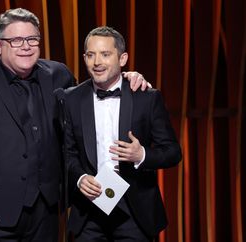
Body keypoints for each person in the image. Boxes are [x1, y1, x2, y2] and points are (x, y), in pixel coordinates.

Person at [0, 8, 148, 242]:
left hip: (48, 211)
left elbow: (91, 100)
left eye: (32, 39)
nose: (26, 46)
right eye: (16, 40)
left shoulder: (58, 74)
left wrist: (126, 77)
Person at [64, 26, 182, 241]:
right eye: (91, 55)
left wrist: (142, 155)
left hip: (135, 212)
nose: (97, 62)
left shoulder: (146, 97)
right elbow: (66, 153)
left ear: (122, 58)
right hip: (89, 212)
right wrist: (80, 178)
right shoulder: (71, 99)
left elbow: (173, 152)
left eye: (105, 54)